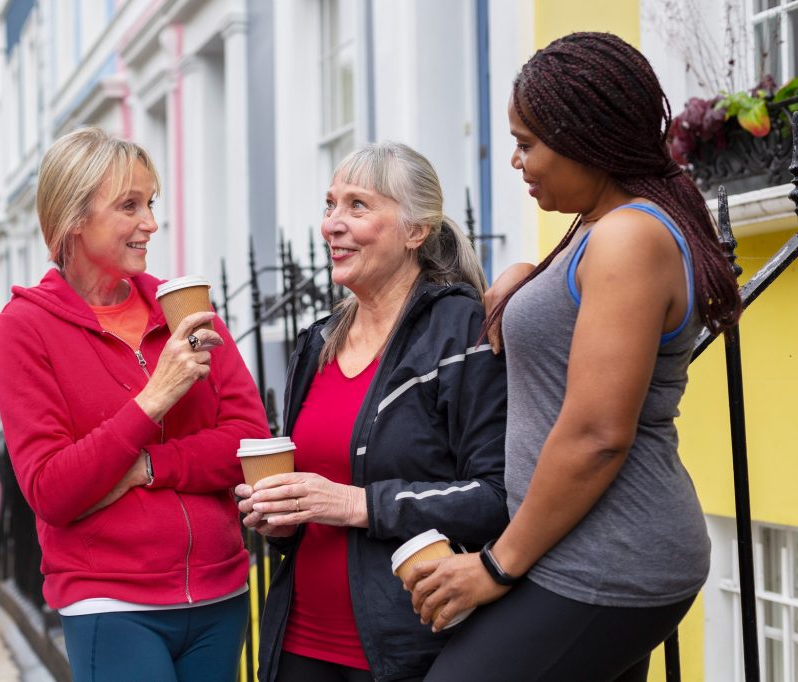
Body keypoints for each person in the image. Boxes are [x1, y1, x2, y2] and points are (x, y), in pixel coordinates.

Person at [404, 32, 742, 681]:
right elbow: (580, 311)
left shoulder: (629, 236)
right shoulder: (603, 226)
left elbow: (597, 435)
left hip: (606, 559)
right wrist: (523, 279)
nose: (515, 161)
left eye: (528, 143)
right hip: (581, 548)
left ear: (587, 137)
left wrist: (496, 565)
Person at [0, 127, 271, 682]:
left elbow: (250, 443)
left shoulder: (183, 309)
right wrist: (154, 399)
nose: (151, 223)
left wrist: (147, 467)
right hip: (112, 604)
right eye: (129, 206)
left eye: (150, 203)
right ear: (73, 217)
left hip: (221, 593)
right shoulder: (25, 327)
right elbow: (52, 490)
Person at [236, 142, 509, 682]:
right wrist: (278, 519)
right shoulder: (317, 342)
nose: (332, 224)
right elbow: (314, 499)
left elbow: (498, 496)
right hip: (299, 644)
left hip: (406, 649)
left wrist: (357, 503)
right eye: (330, 204)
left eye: (357, 205)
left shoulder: (461, 331)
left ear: (416, 231)